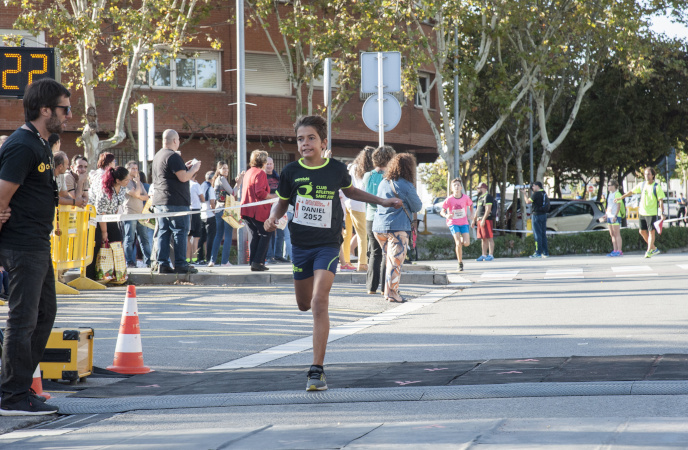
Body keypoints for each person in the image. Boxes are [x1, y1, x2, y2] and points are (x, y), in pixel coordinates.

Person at [264, 115, 401, 391]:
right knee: (304, 304)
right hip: (300, 246)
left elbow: (352, 192)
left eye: (311, 138)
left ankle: (316, 371)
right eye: (300, 139)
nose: (305, 143)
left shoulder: (336, 169)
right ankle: (316, 362)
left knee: (318, 301)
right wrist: (271, 219)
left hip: (327, 245)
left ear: (323, 142)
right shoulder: (291, 172)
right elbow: (281, 204)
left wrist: (382, 201)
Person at [0, 78, 72, 415]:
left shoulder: (41, 143)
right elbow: (1, 197)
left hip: (37, 244)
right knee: (23, 319)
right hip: (22, 244)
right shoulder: (22, 145)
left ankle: (20, 387)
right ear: (45, 110)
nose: (68, 115)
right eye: (64, 109)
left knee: (43, 315)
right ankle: (12, 396)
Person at [373, 153, 422, 303]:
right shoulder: (406, 185)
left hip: (379, 227)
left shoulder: (383, 182)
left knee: (390, 260)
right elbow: (417, 206)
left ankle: (388, 291)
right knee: (396, 262)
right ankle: (393, 293)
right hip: (398, 228)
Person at [152, 129, 201, 274]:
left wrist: (185, 167)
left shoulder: (158, 155)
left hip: (160, 201)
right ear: (174, 140)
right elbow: (184, 177)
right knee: (180, 232)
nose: (179, 142)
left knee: (163, 232)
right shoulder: (173, 156)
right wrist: (195, 169)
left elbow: (174, 173)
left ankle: (163, 263)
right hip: (176, 202)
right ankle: (180, 264)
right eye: (178, 140)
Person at [362, 145, 396, 295]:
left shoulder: (368, 176)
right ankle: (384, 288)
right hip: (387, 217)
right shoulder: (392, 176)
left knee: (374, 252)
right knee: (386, 252)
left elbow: (365, 195)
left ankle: (371, 287)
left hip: (370, 217)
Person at [86, 167, 130, 280]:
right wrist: (104, 232)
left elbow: (117, 205)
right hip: (96, 219)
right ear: (118, 180)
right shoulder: (104, 190)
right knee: (97, 244)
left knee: (116, 241)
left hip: (111, 217)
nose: (128, 182)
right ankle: (91, 276)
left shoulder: (123, 188)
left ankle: (117, 275)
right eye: (126, 180)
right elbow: (100, 212)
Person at [616, 167, 665, 258]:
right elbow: (631, 192)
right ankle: (653, 248)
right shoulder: (642, 185)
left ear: (653, 175)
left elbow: (661, 201)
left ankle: (649, 251)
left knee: (651, 232)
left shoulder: (656, 187)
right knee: (642, 231)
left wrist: (662, 213)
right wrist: (621, 198)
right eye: (645, 174)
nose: (646, 176)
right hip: (642, 212)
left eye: (648, 174)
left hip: (651, 213)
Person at [241, 150, 275, 271]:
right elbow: (260, 192)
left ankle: (254, 262)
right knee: (267, 232)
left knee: (255, 235)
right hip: (257, 210)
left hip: (247, 210)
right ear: (263, 161)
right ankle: (258, 262)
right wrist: (273, 197)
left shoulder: (249, 172)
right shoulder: (260, 173)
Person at [343, 147, 374, 272]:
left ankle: (345, 261)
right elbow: (363, 188)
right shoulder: (367, 171)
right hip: (359, 205)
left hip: (346, 203)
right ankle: (362, 263)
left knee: (347, 234)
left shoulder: (353, 167)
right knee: (362, 234)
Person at [209, 161, 244, 267]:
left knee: (218, 235)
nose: (226, 170)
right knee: (228, 235)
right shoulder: (222, 178)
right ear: (218, 169)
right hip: (226, 210)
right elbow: (233, 193)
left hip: (219, 210)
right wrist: (239, 183)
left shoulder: (216, 180)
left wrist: (237, 184)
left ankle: (212, 260)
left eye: (227, 168)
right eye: (223, 168)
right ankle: (224, 261)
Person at [122, 161, 151, 268]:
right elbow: (137, 194)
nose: (135, 170)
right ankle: (130, 262)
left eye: (136, 168)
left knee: (144, 239)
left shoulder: (138, 182)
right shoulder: (126, 182)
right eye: (133, 168)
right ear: (128, 170)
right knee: (129, 239)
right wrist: (138, 192)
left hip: (140, 215)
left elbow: (146, 196)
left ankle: (148, 261)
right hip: (129, 214)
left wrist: (138, 185)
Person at [441, 178, 473, 271]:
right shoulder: (449, 199)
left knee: (466, 243)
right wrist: (447, 215)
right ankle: (460, 263)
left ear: (461, 187)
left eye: (458, 185)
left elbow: (471, 205)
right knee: (458, 243)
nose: (456, 186)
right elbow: (442, 211)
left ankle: (462, 239)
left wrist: (472, 213)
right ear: (452, 188)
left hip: (464, 223)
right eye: (454, 185)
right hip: (453, 223)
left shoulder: (465, 198)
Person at [264, 157, 288, 264]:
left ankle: (278, 255)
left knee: (280, 232)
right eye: (267, 164)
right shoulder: (262, 176)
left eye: (271, 164)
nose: (269, 166)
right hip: (266, 208)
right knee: (270, 231)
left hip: (278, 207)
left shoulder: (277, 176)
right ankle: (269, 257)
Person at [523, 181, 550, 258]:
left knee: (537, 234)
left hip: (536, 215)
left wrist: (524, 194)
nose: (532, 188)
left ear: (537, 186)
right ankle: (545, 252)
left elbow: (528, 202)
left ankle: (538, 252)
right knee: (543, 234)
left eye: (533, 186)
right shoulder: (544, 193)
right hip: (543, 215)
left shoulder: (536, 194)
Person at [472, 182, 495, 261]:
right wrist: (474, 220)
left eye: (479, 188)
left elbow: (488, 209)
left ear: (484, 188)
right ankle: (484, 255)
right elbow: (477, 209)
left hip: (486, 219)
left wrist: (484, 219)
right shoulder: (480, 197)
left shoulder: (487, 197)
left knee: (489, 238)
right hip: (479, 219)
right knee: (483, 238)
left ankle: (491, 255)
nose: (478, 189)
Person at [600, 179, 623, 257]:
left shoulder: (617, 194)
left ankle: (619, 250)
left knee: (617, 234)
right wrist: (606, 215)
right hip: (609, 216)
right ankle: (615, 250)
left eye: (609, 185)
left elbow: (618, 206)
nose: (608, 187)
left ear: (614, 186)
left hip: (615, 216)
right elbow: (609, 206)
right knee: (612, 234)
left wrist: (615, 215)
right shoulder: (609, 194)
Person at [197, 170, 216, 264]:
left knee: (202, 238)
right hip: (210, 215)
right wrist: (215, 210)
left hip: (202, 214)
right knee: (210, 238)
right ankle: (209, 258)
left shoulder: (202, 186)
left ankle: (199, 258)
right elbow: (212, 203)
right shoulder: (211, 188)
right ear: (212, 178)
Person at [187, 172, 204, 263]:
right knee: (196, 237)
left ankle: (187, 259)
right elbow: (203, 199)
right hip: (196, 211)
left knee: (188, 237)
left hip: (187, 211)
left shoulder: (184, 184)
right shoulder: (196, 185)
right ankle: (194, 259)